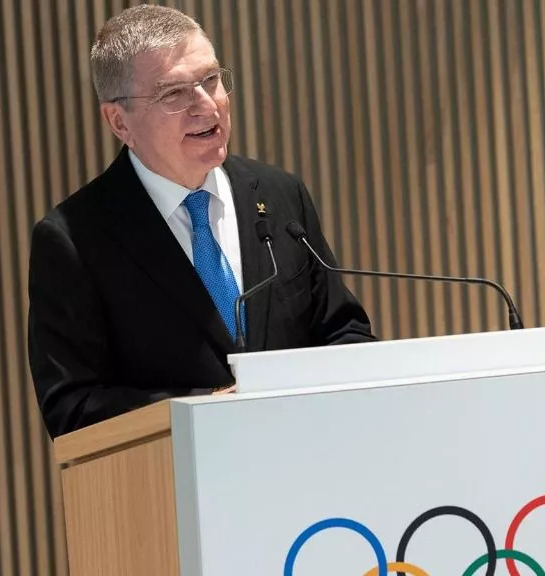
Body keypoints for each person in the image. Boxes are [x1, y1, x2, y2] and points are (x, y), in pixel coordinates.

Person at [27, 4, 375, 439]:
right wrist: (207, 407)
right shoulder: (74, 240)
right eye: (174, 94)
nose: (207, 105)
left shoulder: (278, 194)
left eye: (211, 80)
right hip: (171, 475)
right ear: (119, 121)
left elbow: (343, 332)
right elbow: (73, 407)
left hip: (306, 460)